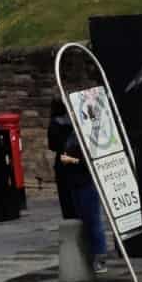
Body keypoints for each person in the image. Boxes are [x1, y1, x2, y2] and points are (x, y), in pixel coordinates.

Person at [57, 121, 107, 272]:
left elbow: (88, 162)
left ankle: (100, 258)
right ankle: (89, 256)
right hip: (75, 182)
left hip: (87, 182)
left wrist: (70, 160)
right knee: (83, 220)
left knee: (93, 220)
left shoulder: (89, 136)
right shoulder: (72, 135)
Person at [46, 100, 77, 218]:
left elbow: (52, 146)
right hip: (75, 158)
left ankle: (69, 216)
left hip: (62, 160)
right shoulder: (72, 121)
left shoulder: (54, 124)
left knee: (65, 194)